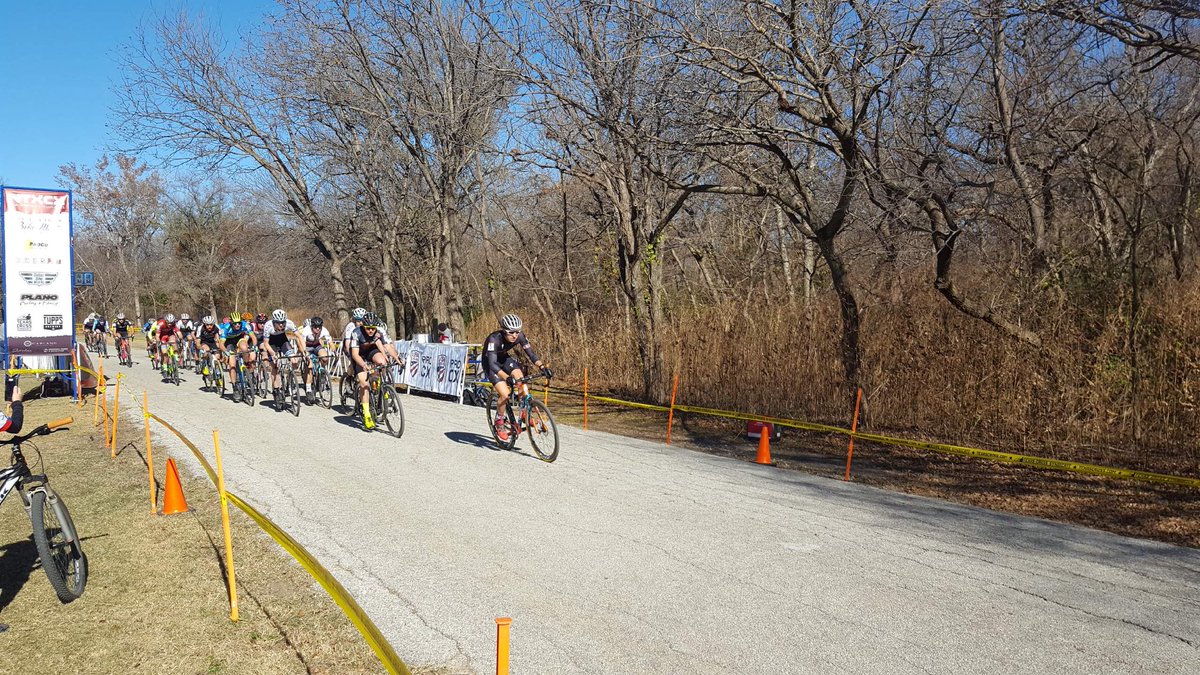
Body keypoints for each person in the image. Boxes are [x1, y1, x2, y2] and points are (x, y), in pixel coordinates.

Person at [483, 313, 552, 441]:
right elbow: (492, 364)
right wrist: (506, 377)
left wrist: (542, 367)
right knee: (505, 394)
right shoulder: (494, 339)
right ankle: (499, 422)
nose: (515, 335)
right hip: (491, 364)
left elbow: (531, 354)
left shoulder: (519, 336)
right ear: (504, 331)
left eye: (517, 332)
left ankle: (524, 412)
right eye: (511, 332)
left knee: (521, 379)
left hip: (504, 359)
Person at [348, 312, 393, 429]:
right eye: (368, 329)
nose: (371, 331)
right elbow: (355, 354)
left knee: (382, 363)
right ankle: (367, 413)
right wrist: (363, 365)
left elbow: (385, 346)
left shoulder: (378, 332)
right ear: (363, 326)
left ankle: (380, 385)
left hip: (370, 352)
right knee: (365, 384)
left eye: (373, 328)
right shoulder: (356, 333)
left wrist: (394, 359)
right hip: (359, 356)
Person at [260, 309, 305, 406]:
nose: (281, 325)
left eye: (283, 322)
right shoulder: (268, 326)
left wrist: (304, 350)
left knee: (294, 360)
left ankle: (289, 379)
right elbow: (266, 343)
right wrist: (272, 354)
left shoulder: (289, 323)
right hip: (271, 343)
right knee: (275, 366)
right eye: (278, 323)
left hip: (283, 341)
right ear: (274, 322)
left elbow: (299, 337)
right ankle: (276, 391)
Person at [220, 313, 258, 402]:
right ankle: (235, 387)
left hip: (239, 339)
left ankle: (246, 365)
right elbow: (221, 344)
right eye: (235, 323)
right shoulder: (225, 328)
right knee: (232, 365)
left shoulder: (245, 325)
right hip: (228, 342)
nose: (237, 325)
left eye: (239, 323)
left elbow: (253, 337)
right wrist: (226, 352)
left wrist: (254, 346)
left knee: (245, 348)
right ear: (231, 323)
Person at [300, 316, 333, 404]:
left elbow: (330, 341)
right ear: (311, 327)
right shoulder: (306, 331)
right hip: (306, 347)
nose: (318, 329)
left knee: (325, 357)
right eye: (315, 327)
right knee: (309, 366)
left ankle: (321, 373)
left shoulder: (324, 330)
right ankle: (308, 389)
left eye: (319, 327)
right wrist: (306, 355)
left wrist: (334, 351)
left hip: (316, 345)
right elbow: (302, 344)